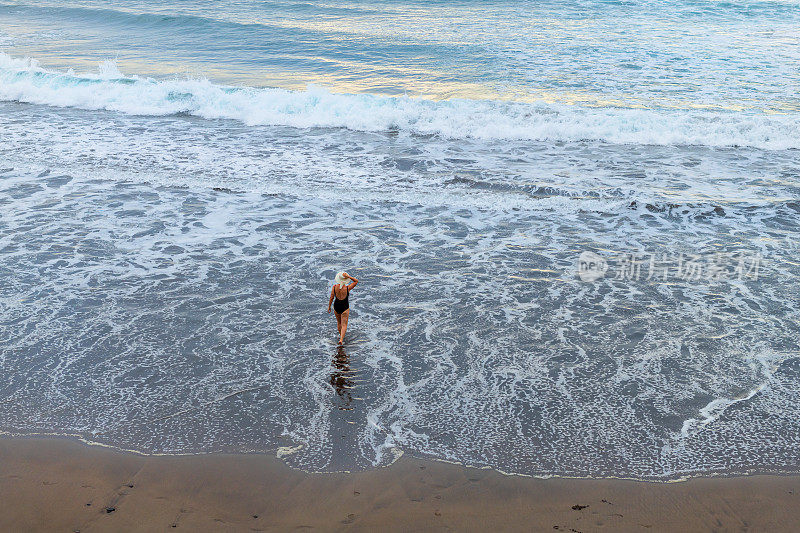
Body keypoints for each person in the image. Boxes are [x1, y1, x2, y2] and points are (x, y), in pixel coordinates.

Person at [327, 271, 358, 345]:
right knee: (344, 324)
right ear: (345, 280)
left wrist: (329, 307)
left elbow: (331, 298)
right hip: (345, 307)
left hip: (336, 306)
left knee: (339, 323)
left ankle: (341, 335)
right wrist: (349, 277)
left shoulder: (334, 288)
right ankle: (341, 339)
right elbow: (356, 281)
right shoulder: (347, 288)